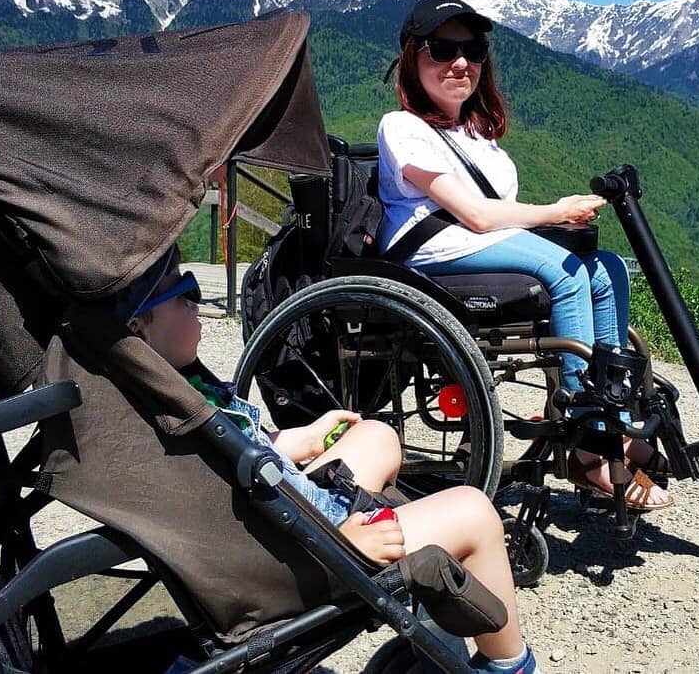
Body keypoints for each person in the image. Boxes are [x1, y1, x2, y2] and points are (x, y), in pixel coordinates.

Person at [127, 255, 543, 674]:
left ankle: (424, 606)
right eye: (184, 294)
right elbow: (217, 522)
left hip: (287, 517)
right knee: (473, 511)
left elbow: (236, 457)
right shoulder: (168, 422)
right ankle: (508, 664)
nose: (197, 302)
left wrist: (300, 439)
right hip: (295, 554)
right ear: (137, 326)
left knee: (377, 437)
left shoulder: (164, 393)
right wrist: (338, 543)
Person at [378, 0, 673, 512]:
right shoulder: (401, 127)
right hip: (432, 257)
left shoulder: (475, 135)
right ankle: (587, 445)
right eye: (442, 49)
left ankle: (611, 419)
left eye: (472, 49)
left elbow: (497, 218)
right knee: (564, 271)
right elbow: (476, 216)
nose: (461, 62)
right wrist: (557, 211)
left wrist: (556, 217)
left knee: (606, 272)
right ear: (412, 57)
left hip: (475, 248)